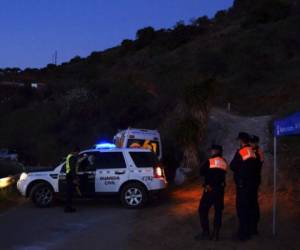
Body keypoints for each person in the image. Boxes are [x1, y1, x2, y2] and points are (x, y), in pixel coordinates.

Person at [195, 145, 228, 241]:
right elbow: (223, 173)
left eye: (212, 150)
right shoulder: (224, 162)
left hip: (209, 189)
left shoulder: (209, 161)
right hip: (220, 190)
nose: (211, 152)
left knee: (202, 210)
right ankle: (216, 234)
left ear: (215, 151)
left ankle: (206, 233)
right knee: (218, 211)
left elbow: (201, 172)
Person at [230, 132, 258, 241]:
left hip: (243, 185)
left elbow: (233, 166)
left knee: (242, 209)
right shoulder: (252, 151)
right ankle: (250, 230)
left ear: (241, 141)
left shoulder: (241, 151)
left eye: (239, 140)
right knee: (250, 207)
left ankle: (243, 234)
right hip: (251, 184)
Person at [249, 135, 264, 235]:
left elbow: (258, 165)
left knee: (252, 203)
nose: (251, 144)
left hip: (253, 180)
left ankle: (254, 227)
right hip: (254, 179)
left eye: (253, 142)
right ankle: (253, 226)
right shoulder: (256, 151)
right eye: (251, 142)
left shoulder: (257, 152)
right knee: (253, 202)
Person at [64, 146, 80, 213]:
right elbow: (72, 169)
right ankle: (68, 208)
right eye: (77, 152)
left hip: (69, 176)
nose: (78, 154)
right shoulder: (72, 158)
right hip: (70, 176)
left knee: (69, 193)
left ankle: (68, 207)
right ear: (75, 151)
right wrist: (75, 178)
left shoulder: (69, 156)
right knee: (69, 193)